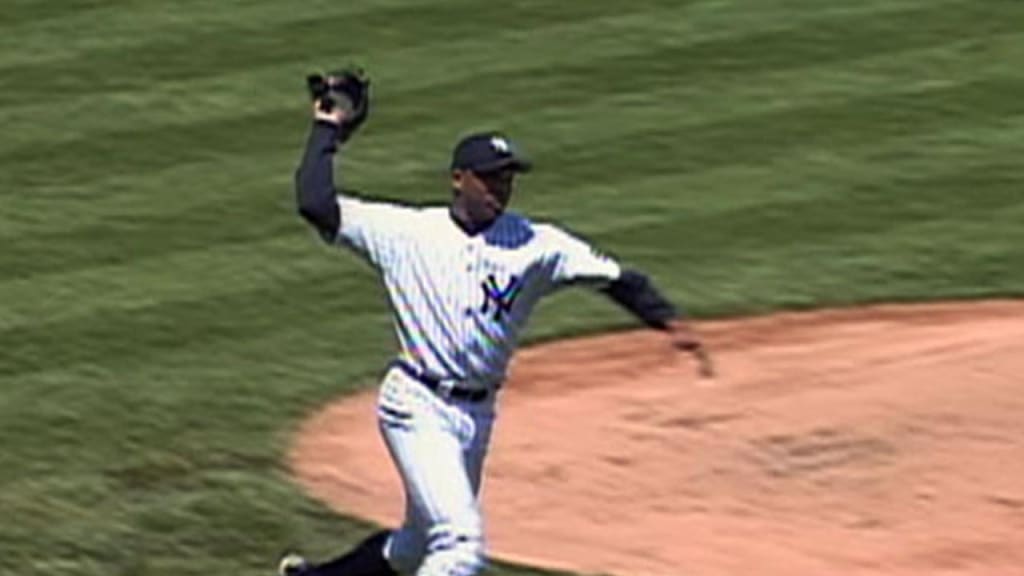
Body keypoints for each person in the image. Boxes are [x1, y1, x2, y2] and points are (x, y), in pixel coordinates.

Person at [282, 72, 712, 576]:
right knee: (460, 544)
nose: (500, 189)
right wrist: (329, 128)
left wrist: (667, 320)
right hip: (416, 404)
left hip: (477, 417)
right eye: (490, 178)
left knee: (416, 547)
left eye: (507, 178)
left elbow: (615, 277)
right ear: (458, 179)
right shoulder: (407, 234)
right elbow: (316, 203)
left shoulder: (536, 243)